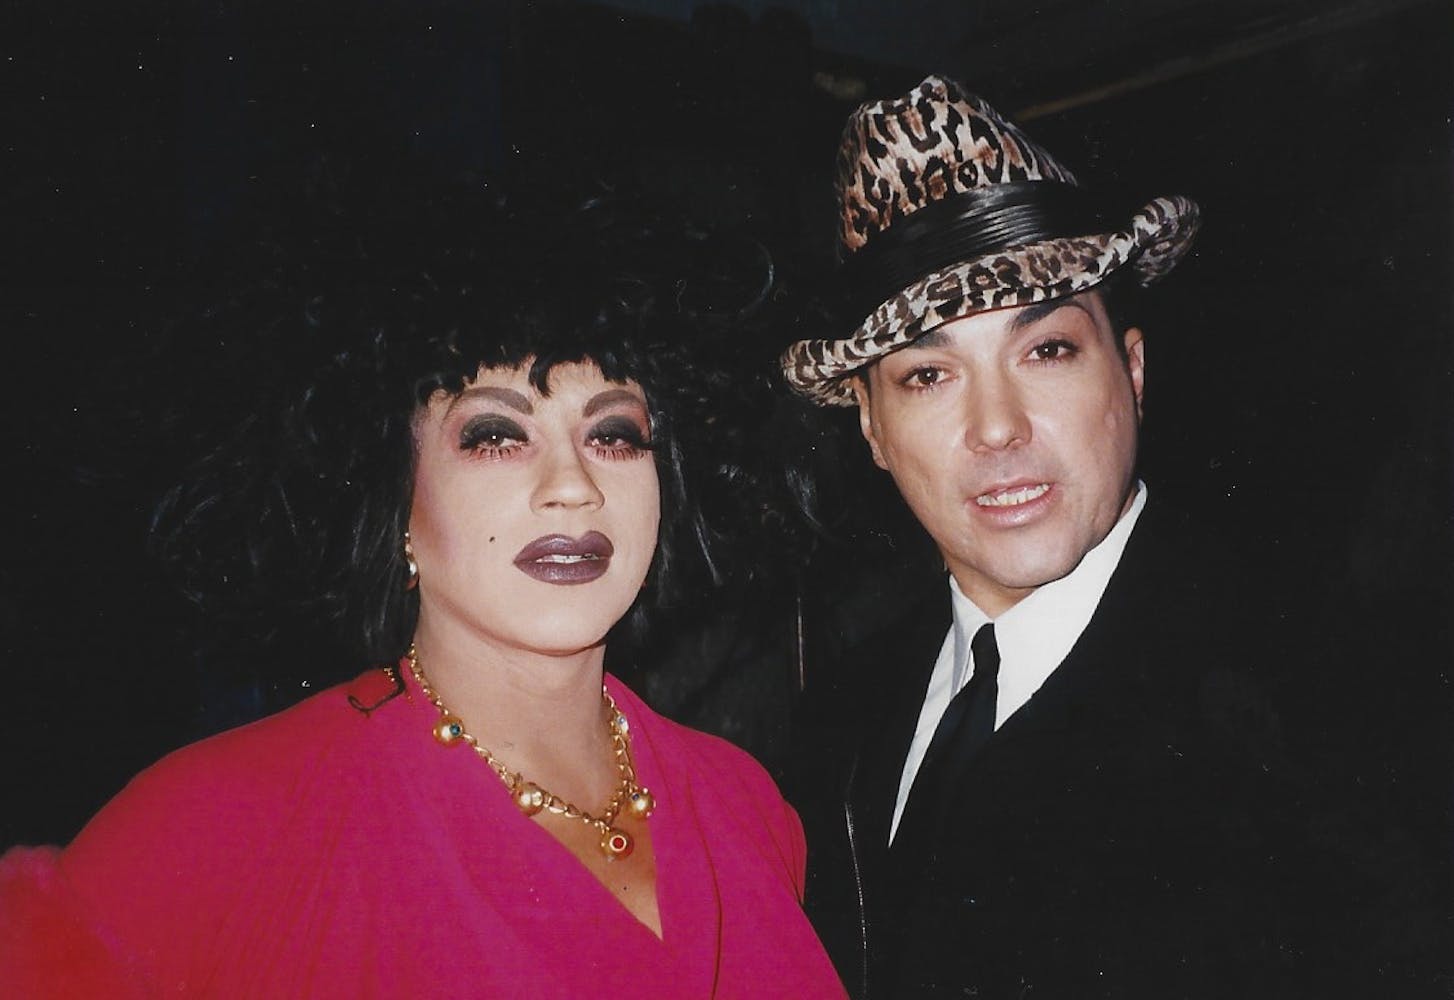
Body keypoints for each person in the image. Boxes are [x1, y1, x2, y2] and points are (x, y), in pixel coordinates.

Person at [0, 183, 846, 998]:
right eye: (495, 436)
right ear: (393, 496)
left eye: (614, 435)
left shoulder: (746, 808)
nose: (574, 486)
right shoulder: (217, 827)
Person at [780, 76, 1416, 998]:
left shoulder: (1322, 706)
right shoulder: (839, 715)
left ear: (1134, 370)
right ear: (872, 428)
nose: (997, 428)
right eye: (928, 375)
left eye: (1046, 350)